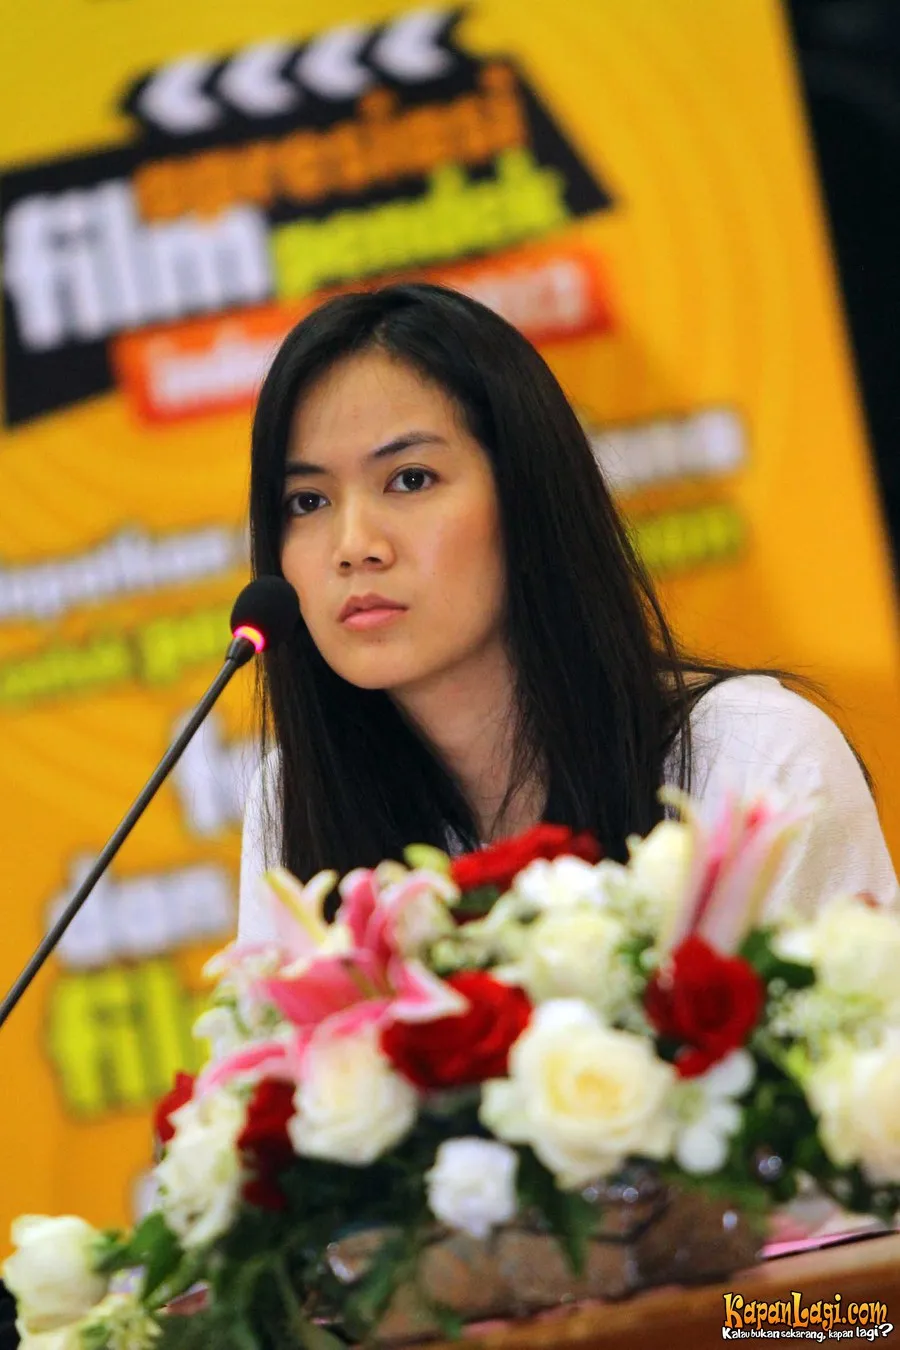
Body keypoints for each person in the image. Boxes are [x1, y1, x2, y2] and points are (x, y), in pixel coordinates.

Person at [237, 282, 897, 943]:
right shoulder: (294, 801)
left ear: (528, 495)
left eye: (411, 479)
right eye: (308, 502)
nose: (354, 546)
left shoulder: (753, 761)